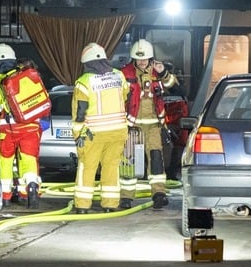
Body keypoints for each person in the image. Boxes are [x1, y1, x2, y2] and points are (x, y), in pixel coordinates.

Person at [119, 39, 179, 210]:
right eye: (139, 59)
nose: (142, 62)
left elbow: (174, 87)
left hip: (154, 124)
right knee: (129, 161)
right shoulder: (125, 73)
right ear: (133, 59)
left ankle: (159, 194)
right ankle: (126, 197)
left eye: (145, 59)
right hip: (132, 125)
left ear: (151, 58)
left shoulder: (157, 72)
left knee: (156, 158)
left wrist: (164, 73)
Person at [71, 42, 129, 214]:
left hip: (93, 133)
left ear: (87, 63)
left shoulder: (84, 82)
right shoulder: (119, 76)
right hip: (118, 131)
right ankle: (110, 204)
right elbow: (125, 95)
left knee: (87, 167)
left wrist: (77, 134)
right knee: (111, 167)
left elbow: (80, 112)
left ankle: (82, 205)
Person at [0, 44, 42, 207]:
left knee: (6, 161)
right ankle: (29, 190)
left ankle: (6, 196)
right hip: (31, 126)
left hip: (9, 129)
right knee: (29, 160)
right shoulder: (26, 74)